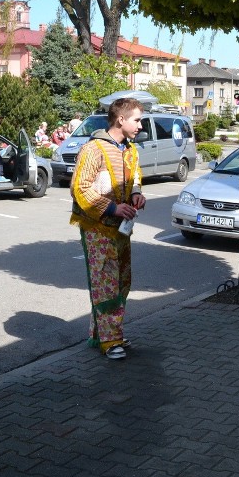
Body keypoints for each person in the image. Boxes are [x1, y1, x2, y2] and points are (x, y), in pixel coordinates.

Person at [69, 98, 146, 360]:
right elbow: (80, 188)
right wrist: (113, 208)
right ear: (120, 120)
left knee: (122, 280)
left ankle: (103, 334)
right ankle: (110, 340)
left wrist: (136, 195)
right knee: (106, 283)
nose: (140, 125)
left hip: (122, 229)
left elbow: (135, 178)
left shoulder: (131, 150)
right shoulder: (94, 149)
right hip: (97, 227)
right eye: (137, 119)